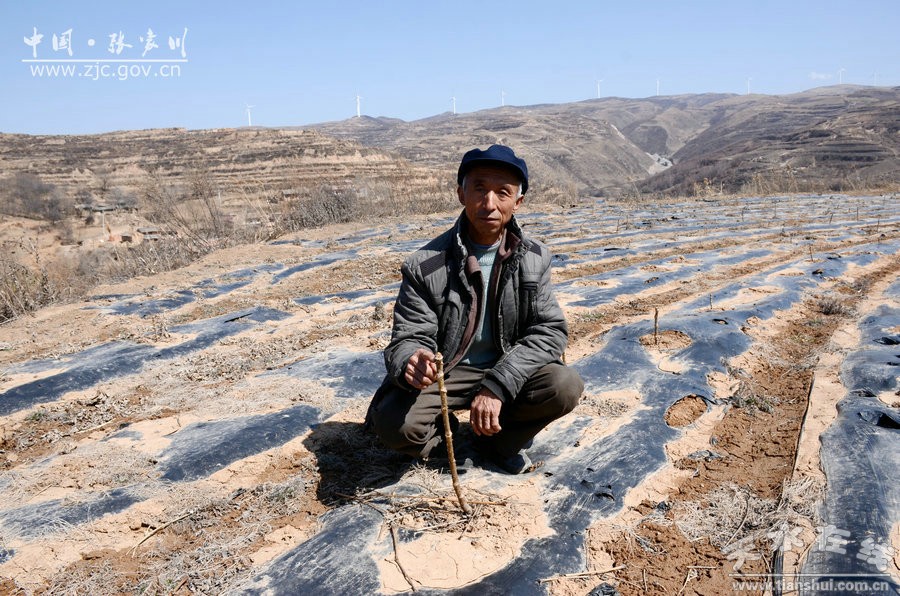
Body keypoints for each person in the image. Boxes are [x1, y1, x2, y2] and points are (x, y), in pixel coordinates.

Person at [365, 144, 583, 474]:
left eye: (502, 192)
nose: (489, 203)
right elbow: (408, 336)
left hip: (508, 363)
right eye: (479, 189)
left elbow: (549, 331)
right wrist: (412, 359)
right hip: (448, 371)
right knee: (396, 424)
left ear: (518, 202)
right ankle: (448, 443)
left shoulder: (535, 258)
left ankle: (499, 442)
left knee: (564, 386)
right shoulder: (426, 265)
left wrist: (498, 385)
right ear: (461, 194)